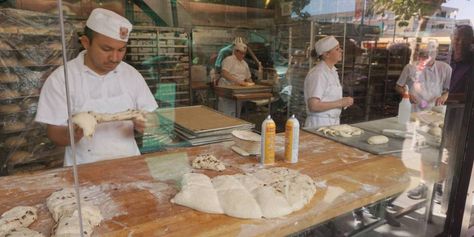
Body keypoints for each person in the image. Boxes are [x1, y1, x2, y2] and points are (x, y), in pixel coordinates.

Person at [35, 8, 158, 166]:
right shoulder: (62, 78)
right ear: (86, 42)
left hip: (130, 164)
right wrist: (75, 132)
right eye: (106, 49)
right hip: (83, 168)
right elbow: (54, 135)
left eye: (121, 50)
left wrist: (149, 124)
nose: (115, 58)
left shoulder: (131, 74)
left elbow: (152, 117)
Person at [394, 42, 452, 201]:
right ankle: (424, 184)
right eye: (422, 55)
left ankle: (439, 186)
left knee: (443, 153)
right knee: (423, 152)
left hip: (438, 116)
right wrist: (407, 94)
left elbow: (449, 89)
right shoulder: (410, 68)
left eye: (427, 55)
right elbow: (399, 86)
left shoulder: (445, 69)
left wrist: (444, 96)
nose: (423, 59)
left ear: (435, 55)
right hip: (418, 115)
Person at [304, 36, 353, 128]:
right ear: (327, 54)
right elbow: (313, 106)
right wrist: (341, 103)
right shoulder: (318, 74)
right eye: (337, 49)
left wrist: (344, 102)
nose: (341, 51)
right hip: (319, 124)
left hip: (332, 123)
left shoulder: (332, 71)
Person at [217, 42, 254, 117]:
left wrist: (252, 86)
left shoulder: (244, 64)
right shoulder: (229, 60)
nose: (243, 55)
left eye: (244, 54)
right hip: (227, 90)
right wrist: (238, 81)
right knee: (226, 114)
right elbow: (224, 73)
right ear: (236, 51)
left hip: (238, 91)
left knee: (236, 113)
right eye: (241, 53)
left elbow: (248, 78)